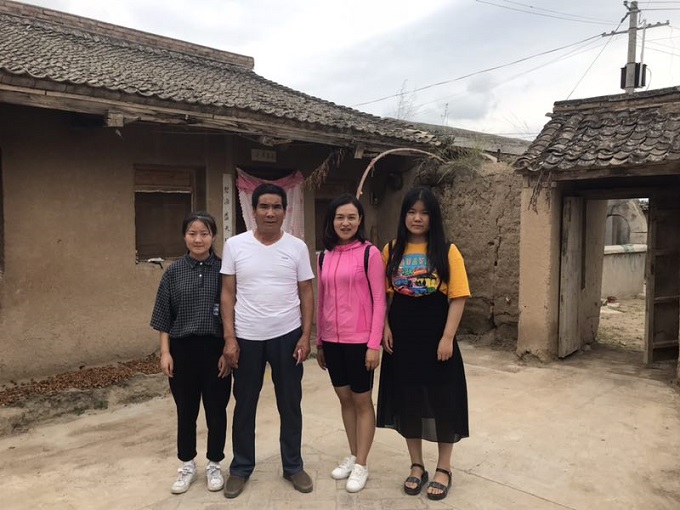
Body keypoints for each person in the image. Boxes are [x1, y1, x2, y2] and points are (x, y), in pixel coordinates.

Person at [220, 183, 315, 499]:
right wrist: (230, 338)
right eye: (264, 206)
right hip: (247, 337)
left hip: (287, 335)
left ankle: (293, 466)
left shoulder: (297, 247)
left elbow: (306, 292)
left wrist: (305, 335)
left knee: (290, 404)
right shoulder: (235, 245)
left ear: (285, 211)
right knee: (244, 404)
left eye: (276, 207)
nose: (270, 213)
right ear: (254, 210)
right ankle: (240, 468)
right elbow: (228, 293)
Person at [377, 186, 470, 502]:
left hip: (436, 337)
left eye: (424, 212)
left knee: (443, 400)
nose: (417, 218)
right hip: (401, 338)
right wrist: (385, 328)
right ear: (404, 215)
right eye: (411, 211)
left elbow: (458, 297)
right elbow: (382, 296)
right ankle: (416, 465)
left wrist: (447, 337)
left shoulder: (447, 251)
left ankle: (444, 468)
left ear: (433, 217)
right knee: (408, 399)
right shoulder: (391, 250)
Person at [150, 211, 231, 495]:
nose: (198, 239)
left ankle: (214, 463)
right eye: (192, 233)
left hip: (215, 350)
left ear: (213, 237)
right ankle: (187, 464)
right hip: (182, 351)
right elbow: (164, 317)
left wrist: (228, 350)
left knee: (216, 411)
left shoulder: (224, 271)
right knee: (186, 411)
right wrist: (165, 353)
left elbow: (233, 313)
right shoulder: (173, 273)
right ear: (184, 236)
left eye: (204, 233)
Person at [316, 194, 386, 493]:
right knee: (344, 398)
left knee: (361, 401)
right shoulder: (324, 256)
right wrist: (320, 341)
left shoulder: (370, 254)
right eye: (340, 217)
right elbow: (322, 300)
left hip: (359, 341)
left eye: (351, 217)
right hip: (332, 340)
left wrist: (373, 344)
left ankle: (362, 464)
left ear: (360, 221)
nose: (345, 223)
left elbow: (380, 300)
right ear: (331, 221)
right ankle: (354, 454)